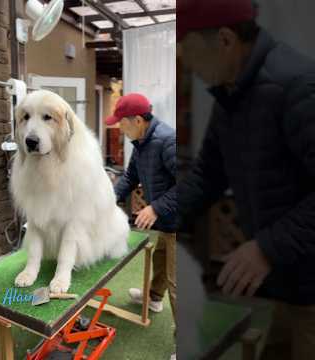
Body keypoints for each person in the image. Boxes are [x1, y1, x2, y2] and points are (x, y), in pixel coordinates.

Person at [177, 0, 315, 358]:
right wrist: (160, 215)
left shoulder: (296, 84)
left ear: (224, 40)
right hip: (281, 282)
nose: (186, 64)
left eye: (187, 52)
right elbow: (207, 174)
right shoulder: (231, 94)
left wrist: (267, 247)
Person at [106, 93, 177, 360]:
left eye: (121, 123)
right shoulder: (141, 142)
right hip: (169, 222)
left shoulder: (168, 141)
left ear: (137, 120)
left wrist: (156, 207)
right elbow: (130, 177)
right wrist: (106, 201)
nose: (119, 128)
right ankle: (154, 299)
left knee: (177, 281)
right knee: (160, 258)